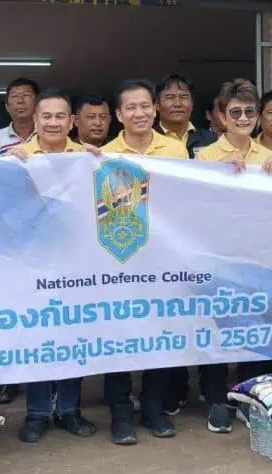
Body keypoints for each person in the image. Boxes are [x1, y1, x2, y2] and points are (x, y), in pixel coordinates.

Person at [100, 79, 188, 445]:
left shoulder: (176, 149)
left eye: (144, 106)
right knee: (118, 335)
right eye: (130, 107)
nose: (139, 113)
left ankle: (154, 408)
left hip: (164, 257)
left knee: (160, 333)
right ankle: (120, 412)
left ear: (155, 109)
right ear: (119, 115)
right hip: (120, 259)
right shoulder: (104, 154)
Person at [192, 78, 272, 433]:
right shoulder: (204, 157)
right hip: (216, 257)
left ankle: (249, 395)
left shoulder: (271, 158)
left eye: (249, 111)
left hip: (258, 258)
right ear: (222, 118)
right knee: (217, 328)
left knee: (254, 325)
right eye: (235, 112)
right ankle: (216, 399)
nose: (243, 118)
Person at [7, 91, 95, 442]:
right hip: (33, 265)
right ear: (36, 121)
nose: (54, 122)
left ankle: (70, 410)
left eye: (61, 116)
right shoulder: (18, 158)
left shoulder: (88, 158)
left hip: (79, 265)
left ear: (72, 121)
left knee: (74, 337)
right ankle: (38, 413)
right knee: (39, 338)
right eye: (47, 117)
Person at [154, 73, 216, 158]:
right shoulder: (148, 139)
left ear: (192, 103)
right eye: (170, 97)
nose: (177, 104)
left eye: (184, 97)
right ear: (157, 105)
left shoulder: (211, 139)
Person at [0, 77, 39, 157]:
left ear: (37, 103)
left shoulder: (49, 135)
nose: (20, 100)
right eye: (14, 96)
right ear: (7, 107)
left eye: (26, 95)